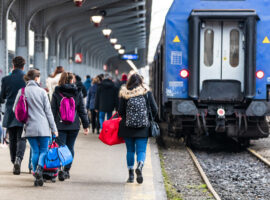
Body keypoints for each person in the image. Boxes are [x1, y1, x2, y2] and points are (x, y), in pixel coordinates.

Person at [13, 69, 58, 186]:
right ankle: (39, 169)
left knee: (35, 151)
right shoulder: (43, 92)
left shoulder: (22, 91)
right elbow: (49, 113)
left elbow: (15, 109)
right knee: (44, 150)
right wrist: (54, 129)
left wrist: (24, 118)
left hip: (29, 127)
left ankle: (36, 176)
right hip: (43, 127)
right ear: (37, 78)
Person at [118, 73, 158, 184]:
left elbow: (120, 111)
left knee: (130, 150)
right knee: (141, 150)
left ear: (129, 81)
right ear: (141, 81)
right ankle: (140, 166)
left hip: (127, 126)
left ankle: (130, 175)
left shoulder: (124, 93)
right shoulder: (146, 92)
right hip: (143, 127)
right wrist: (148, 118)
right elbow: (154, 109)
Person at [51, 72, 89, 181]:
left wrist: (51, 126)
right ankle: (66, 170)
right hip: (74, 125)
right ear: (72, 80)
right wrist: (86, 125)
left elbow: (52, 110)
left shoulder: (57, 92)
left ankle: (59, 169)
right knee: (70, 147)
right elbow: (82, 110)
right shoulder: (77, 92)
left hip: (60, 125)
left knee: (60, 147)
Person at [0, 56, 26, 175]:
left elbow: (2, 97)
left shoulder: (6, 79)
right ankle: (18, 159)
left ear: (13, 65)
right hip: (24, 111)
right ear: (24, 66)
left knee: (12, 138)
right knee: (22, 137)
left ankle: (13, 160)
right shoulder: (27, 79)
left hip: (11, 111)